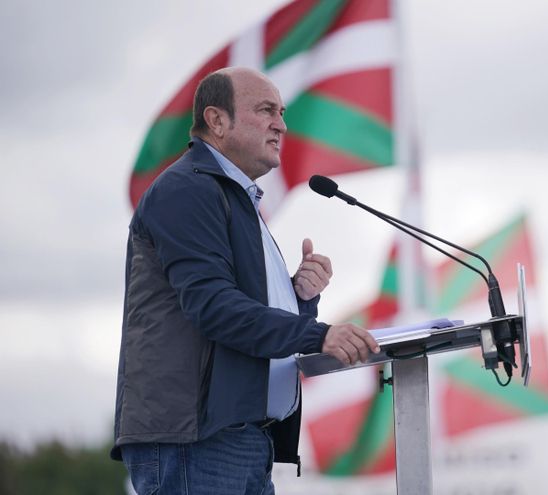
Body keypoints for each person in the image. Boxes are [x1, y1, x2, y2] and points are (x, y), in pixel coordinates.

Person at [112, 67, 380, 494]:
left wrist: (300, 297)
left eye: (282, 112)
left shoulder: (234, 196)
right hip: (198, 440)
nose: (282, 124)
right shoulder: (189, 190)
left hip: (243, 438)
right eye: (266, 110)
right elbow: (215, 308)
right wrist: (317, 334)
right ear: (217, 121)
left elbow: (242, 309)